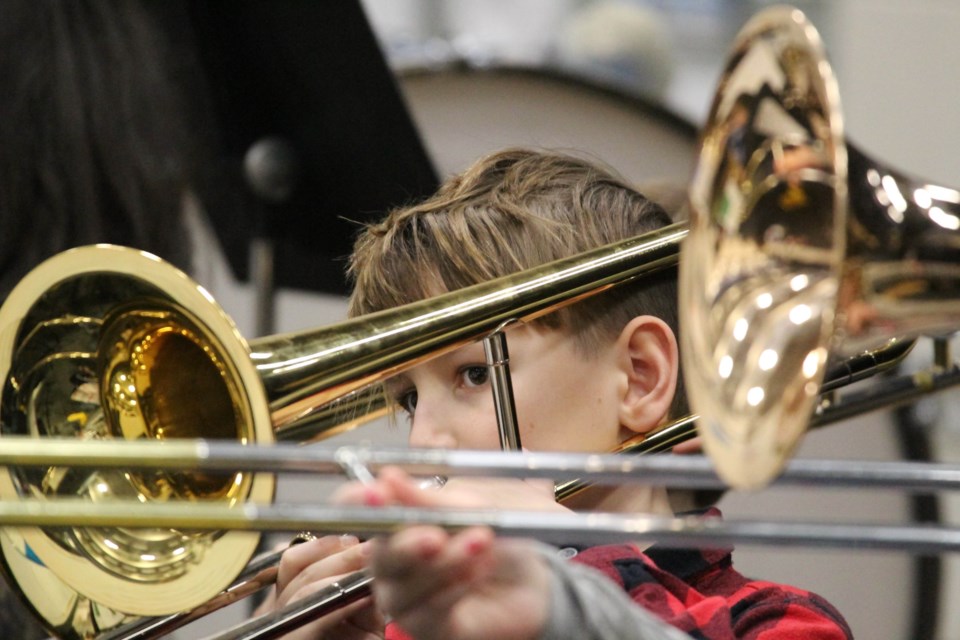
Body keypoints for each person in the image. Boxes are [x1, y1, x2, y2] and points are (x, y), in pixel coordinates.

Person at [264, 148, 853, 640]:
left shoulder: (780, 621)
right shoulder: (410, 626)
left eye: (474, 374)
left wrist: (570, 577)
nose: (423, 440)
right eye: (411, 401)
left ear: (640, 378)